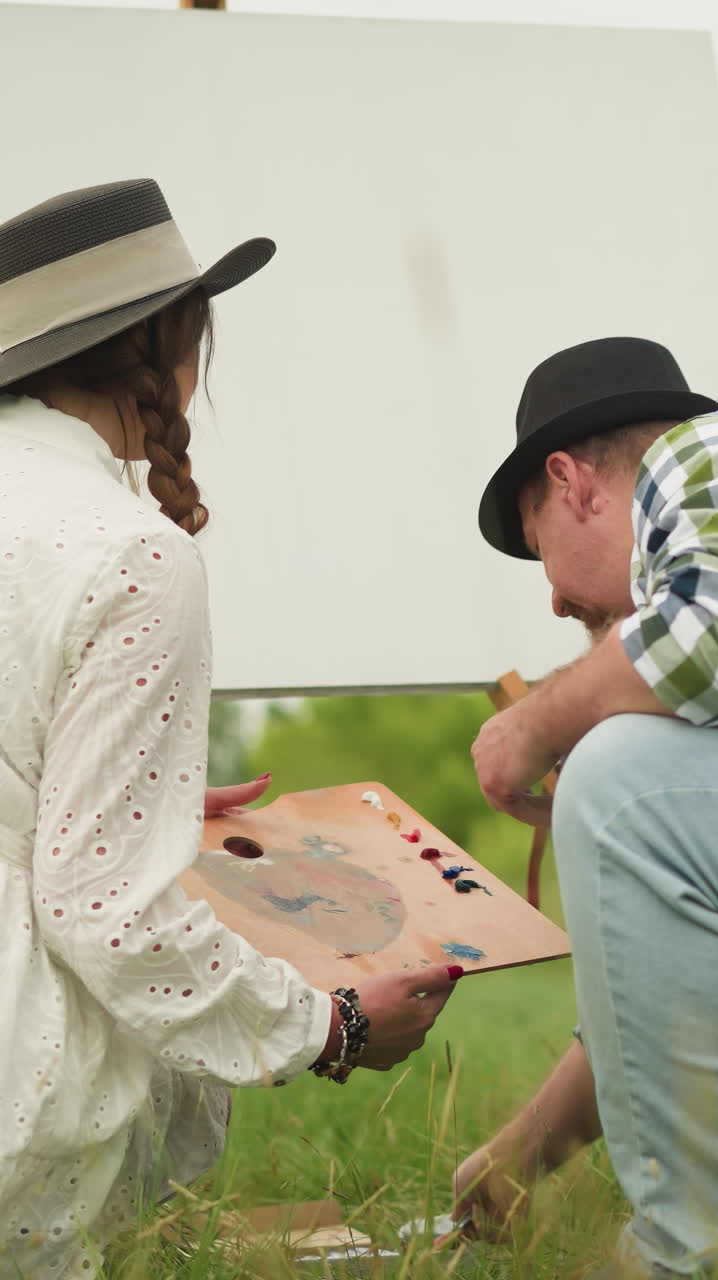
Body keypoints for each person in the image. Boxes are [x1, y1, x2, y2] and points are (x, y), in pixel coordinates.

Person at [0, 178, 461, 1278]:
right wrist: (329, 1022)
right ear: (174, 345)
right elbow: (102, 909)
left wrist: (128, 788)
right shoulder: (132, 551)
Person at [456, 336, 718, 1278]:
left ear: (573, 484)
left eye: (541, 552)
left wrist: (538, 724)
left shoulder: (697, 460)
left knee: (619, 772)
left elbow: (700, 633)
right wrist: (521, 1158)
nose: (557, 596)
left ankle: (685, 1258)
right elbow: (664, 992)